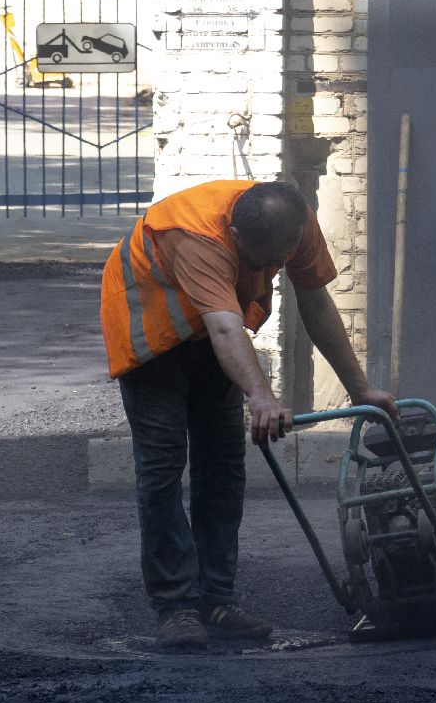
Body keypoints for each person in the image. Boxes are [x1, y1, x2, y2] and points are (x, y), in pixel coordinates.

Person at [99, 179, 398, 650]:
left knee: (223, 464)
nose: (267, 270)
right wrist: (261, 397)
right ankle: (176, 607)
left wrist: (362, 388)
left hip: (214, 337)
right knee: (162, 468)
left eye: (276, 259)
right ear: (236, 236)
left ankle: (218, 600)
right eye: (259, 261)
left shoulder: (294, 223)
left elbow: (315, 301)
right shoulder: (197, 237)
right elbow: (223, 325)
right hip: (153, 338)